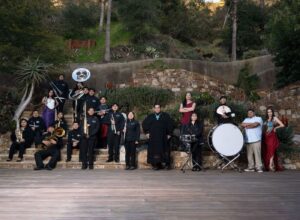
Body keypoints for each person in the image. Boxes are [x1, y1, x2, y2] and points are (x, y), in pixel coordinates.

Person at [142, 104, 174, 170]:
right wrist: (147, 133)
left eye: (158, 107)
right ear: (154, 109)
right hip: (153, 138)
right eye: (155, 108)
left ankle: (167, 164)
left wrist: (169, 134)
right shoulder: (150, 116)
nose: (157, 109)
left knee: (165, 150)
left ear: (160, 108)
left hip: (163, 137)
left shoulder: (165, 116)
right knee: (154, 151)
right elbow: (144, 124)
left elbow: (170, 124)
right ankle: (156, 165)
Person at [241, 108, 264, 173]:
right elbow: (242, 124)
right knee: (249, 155)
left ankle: (259, 167)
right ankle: (251, 167)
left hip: (256, 139)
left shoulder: (258, 118)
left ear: (254, 113)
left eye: (250, 112)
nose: (249, 114)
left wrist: (247, 125)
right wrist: (250, 125)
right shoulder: (246, 119)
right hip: (248, 140)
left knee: (257, 154)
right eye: (248, 113)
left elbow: (255, 125)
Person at [263, 107, 285, 171]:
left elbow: (282, 125)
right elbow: (265, 128)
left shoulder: (274, 118)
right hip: (266, 137)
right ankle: (271, 165)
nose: (269, 113)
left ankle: (270, 165)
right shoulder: (266, 119)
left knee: (271, 150)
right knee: (269, 150)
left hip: (272, 136)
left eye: (270, 112)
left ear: (272, 112)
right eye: (268, 112)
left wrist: (275, 128)